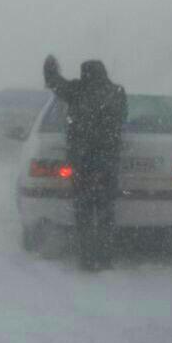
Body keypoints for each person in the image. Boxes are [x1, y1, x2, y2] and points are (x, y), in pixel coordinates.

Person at [43, 54, 127, 268]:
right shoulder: (117, 92)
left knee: (84, 211)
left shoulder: (77, 90)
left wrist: (50, 69)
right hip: (108, 161)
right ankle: (105, 257)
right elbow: (123, 118)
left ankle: (87, 258)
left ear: (85, 74)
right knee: (106, 210)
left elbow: (55, 84)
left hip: (82, 162)